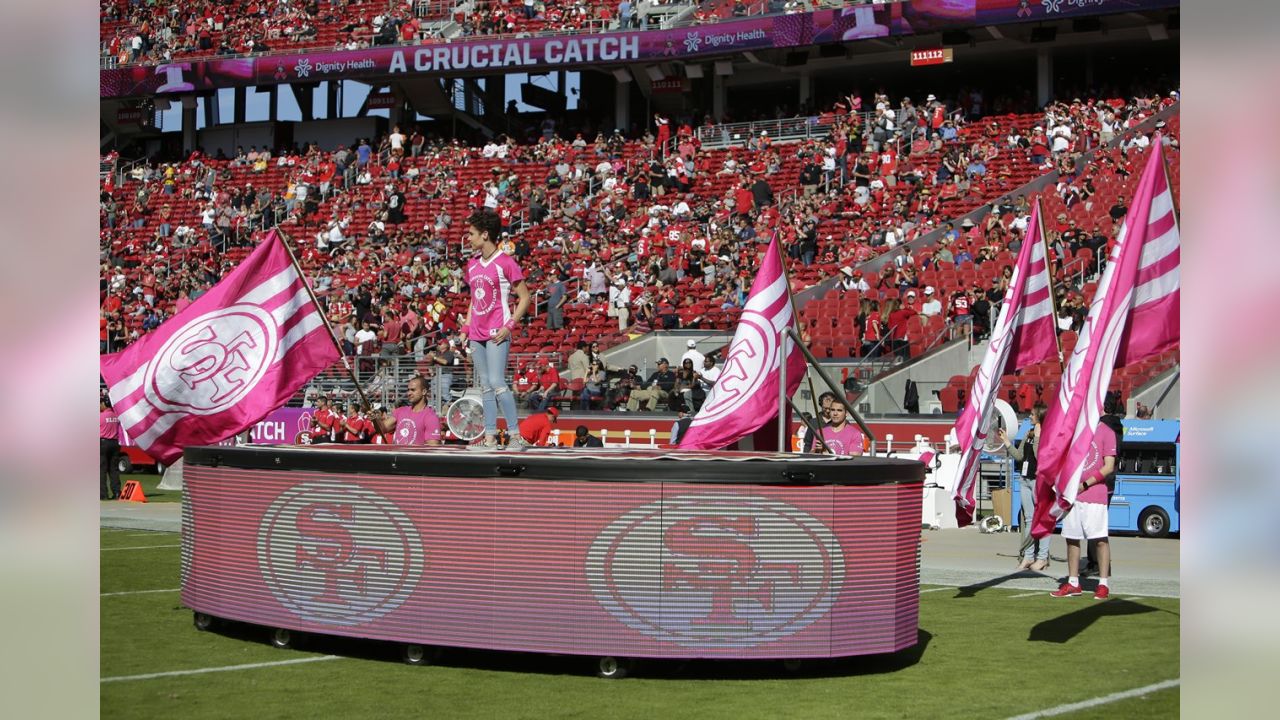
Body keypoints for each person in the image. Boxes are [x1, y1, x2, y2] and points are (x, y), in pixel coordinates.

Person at [463, 210, 531, 449]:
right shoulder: (472, 265)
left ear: (485, 234)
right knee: (485, 385)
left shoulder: (506, 262)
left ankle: (515, 436)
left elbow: (524, 297)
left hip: (496, 332)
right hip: (476, 333)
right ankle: (489, 437)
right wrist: (466, 326)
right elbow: (474, 298)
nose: (468, 238)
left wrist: (509, 325)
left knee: (497, 381)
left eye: (471, 234)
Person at [1050, 414, 1118, 600]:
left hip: (1094, 494)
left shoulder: (1106, 431)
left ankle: (1103, 584)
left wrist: (1085, 484)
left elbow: (1108, 466)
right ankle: (1073, 582)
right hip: (1072, 495)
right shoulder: (1073, 430)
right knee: (1071, 538)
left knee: (1100, 539)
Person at [1000, 404, 1050, 572]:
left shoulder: (1046, 435)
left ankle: (1042, 557)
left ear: (1040, 416)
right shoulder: (1028, 433)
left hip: (1038, 481)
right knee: (1028, 519)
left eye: (1032, 414)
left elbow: (1040, 457)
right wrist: (1007, 442)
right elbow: (1020, 456)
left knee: (1042, 520)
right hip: (1025, 479)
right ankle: (1029, 556)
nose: (1029, 416)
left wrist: (1037, 438)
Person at [379, 375, 443, 446]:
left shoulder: (431, 417)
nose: (409, 393)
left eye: (413, 390)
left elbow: (432, 448)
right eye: (408, 390)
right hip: (398, 456)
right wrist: (375, 418)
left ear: (424, 391)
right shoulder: (400, 411)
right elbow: (382, 429)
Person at [423, 338, 457, 412]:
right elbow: (430, 364)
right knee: (434, 391)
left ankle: (449, 407)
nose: (438, 345)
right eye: (438, 344)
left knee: (444, 392)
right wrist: (430, 359)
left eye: (440, 344)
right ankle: (437, 408)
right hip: (436, 375)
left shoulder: (449, 353)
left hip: (446, 374)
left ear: (446, 345)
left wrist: (434, 357)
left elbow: (445, 362)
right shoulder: (437, 353)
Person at [100, 397, 122, 500]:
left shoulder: (101, 416)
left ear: (104, 404)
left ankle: (103, 494)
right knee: (114, 469)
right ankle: (117, 492)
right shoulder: (116, 416)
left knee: (102, 470)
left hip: (103, 443)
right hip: (115, 443)